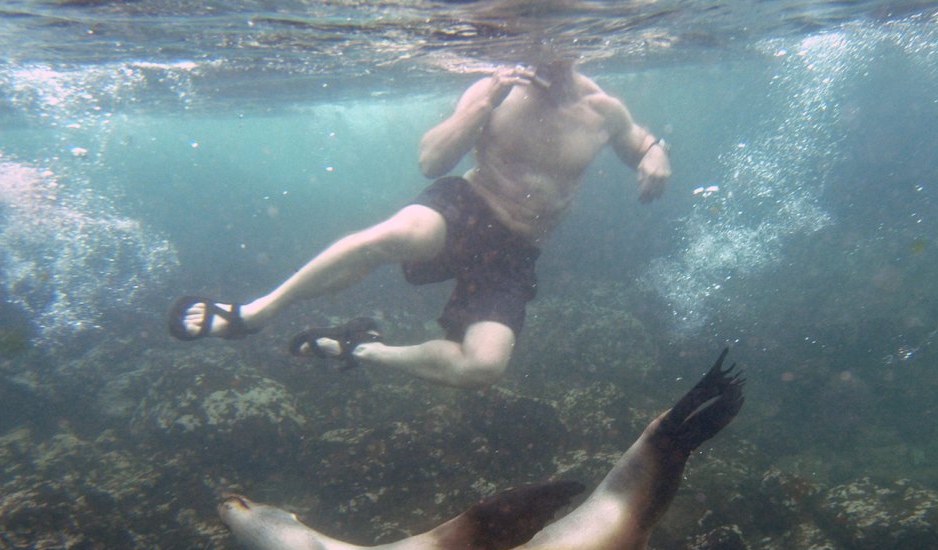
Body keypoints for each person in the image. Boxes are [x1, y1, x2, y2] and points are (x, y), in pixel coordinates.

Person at [168, 59, 671, 388]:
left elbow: (637, 141)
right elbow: (432, 162)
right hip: (467, 205)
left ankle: (362, 350)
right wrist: (484, 104)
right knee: (397, 236)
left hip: (517, 251)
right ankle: (255, 312)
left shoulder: (604, 110)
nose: (543, 52)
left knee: (484, 367)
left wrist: (654, 152)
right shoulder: (495, 89)